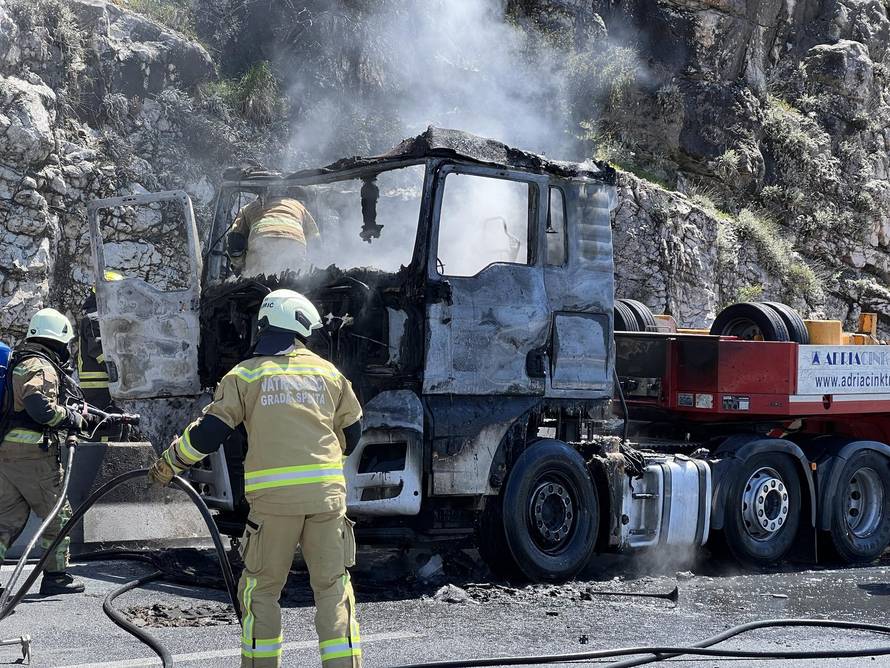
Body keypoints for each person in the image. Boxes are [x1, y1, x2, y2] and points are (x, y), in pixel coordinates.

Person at [148, 289, 363, 668]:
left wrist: (170, 463)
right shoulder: (329, 373)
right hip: (327, 502)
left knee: (261, 592)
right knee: (333, 589)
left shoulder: (245, 375)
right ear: (300, 326)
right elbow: (354, 434)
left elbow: (209, 435)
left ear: (264, 327)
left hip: (274, 505)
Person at [0, 308, 96, 596]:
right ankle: (56, 578)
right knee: (58, 515)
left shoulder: (18, 362)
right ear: (58, 340)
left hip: (6, 452)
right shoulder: (40, 366)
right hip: (33, 456)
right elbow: (39, 407)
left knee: (4, 522)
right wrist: (71, 418)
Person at [78, 270, 127, 441]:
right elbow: (100, 352)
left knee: (116, 425)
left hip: (103, 386)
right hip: (100, 388)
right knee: (106, 430)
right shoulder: (95, 318)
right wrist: (122, 373)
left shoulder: (101, 317)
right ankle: (104, 465)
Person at [228, 187, 320, 277]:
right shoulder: (298, 206)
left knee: (255, 282)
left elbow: (235, 240)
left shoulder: (247, 208)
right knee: (296, 283)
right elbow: (315, 238)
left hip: (262, 244)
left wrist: (239, 266)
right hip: (294, 245)